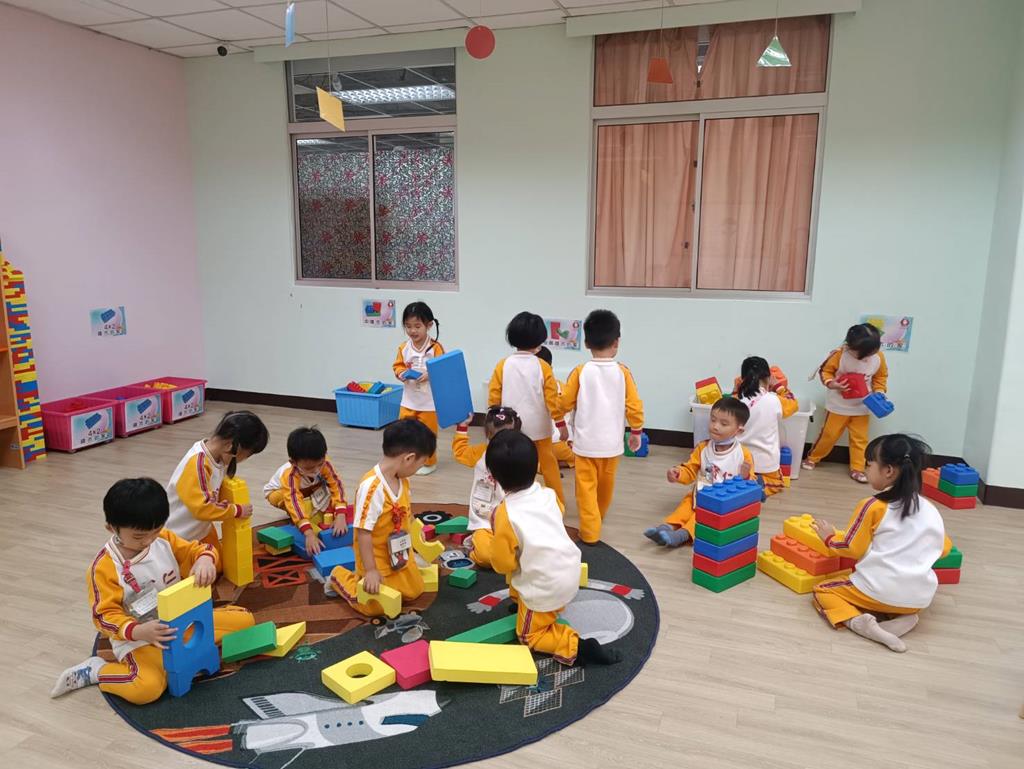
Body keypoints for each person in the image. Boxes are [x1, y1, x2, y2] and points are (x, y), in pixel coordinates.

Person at [51, 478, 254, 703]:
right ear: (111, 528)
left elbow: (197, 550)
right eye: (138, 536)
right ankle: (97, 671)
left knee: (245, 620)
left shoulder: (164, 538)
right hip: (139, 638)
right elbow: (104, 616)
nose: (148, 540)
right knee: (146, 688)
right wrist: (138, 631)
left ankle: (171, 658)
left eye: (155, 531)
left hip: (179, 622)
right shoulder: (103, 567)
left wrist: (205, 559)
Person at [488, 431, 621, 667]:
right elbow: (557, 514)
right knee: (527, 559)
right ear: (536, 466)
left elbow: (502, 563)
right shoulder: (548, 494)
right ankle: (524, 603)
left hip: (544, 588)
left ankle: (578, 646)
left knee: (529, 636)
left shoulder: (505, 513)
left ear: (494, 478)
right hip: (569, 572)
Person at [812, 434, 952, 652]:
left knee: (823, 590)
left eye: (869, 465)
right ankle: (904, 618)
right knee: (901, 599)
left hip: (877, 590)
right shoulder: (930, 510)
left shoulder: (873, 506)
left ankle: (858, 623)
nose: (865, 469)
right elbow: (944, 549)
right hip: (918, 599)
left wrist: (829, 537)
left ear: (888, 471)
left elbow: (852, 548)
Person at [328, 419, 436, 616]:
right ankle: (340, 577)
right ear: (409, 459)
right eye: (420, 464)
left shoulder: (402, 480)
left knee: (414, 590)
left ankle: (394, 576)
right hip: (376, 560)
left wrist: (415, 529)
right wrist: (370, 571)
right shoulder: (372, 488)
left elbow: (406, 512)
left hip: (398, 555)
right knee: (374, 608)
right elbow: (363, 532)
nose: (418, 470)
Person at [559, 309, 644, 544]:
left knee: (585, 487)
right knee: (606, 484)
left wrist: (559, 419)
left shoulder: (580, 371)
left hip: (585, 445)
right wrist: (636, 430)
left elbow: (565, 402)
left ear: (586, 343)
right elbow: (634, 405)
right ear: (617, 343)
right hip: (612, 445)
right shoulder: (623, 372)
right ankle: (599, 515)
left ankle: (590, 530)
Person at [644, 397, 753, 547]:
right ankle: (665, 528)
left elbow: (750, 487)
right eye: (713, 420)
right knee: (685, 506)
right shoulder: (703, 448)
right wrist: (678, 473)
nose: (715, 426)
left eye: (723, 424)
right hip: (700, 494)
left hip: (723, 504)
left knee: (702, 516)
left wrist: (745, 476)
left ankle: (681, 536)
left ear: (738, 430)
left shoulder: (743, 454)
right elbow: (690, 469)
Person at [489, 312, 568, 502]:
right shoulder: (543, 366)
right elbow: (552, 400)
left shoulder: (503, 365)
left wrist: (493, 423)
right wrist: (561, 425)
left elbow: (494, 397)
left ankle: (509, 498)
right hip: (540, 427)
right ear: (539, 341)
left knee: (511, 462)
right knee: (548, 463)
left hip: (510, 427)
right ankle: (558, 502)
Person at [165, 411, 269, 551]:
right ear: (230, 446)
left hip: (199, 530)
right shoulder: (198, 464)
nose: (242, 460)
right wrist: (236, 510)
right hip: (178, 537)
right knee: (208, 563)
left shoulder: (217, 457)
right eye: (245, 456)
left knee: (219, 558)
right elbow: (202, 508)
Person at [803, 323, 888, 483]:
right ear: (850, 347)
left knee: (860, 439)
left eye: (873, 352)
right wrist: (832, 383)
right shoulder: (839, 355)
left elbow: (880, 377)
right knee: (829, 435)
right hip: (838, 406)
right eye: (864, 355)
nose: (869, 357)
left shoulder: (878, 357)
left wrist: (879, 391)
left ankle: (858, 468)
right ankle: (813, 457)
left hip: (863, 406)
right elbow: (826, 371)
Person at [451, 406, 522, 568]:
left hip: (511, 518)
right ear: (488, 435)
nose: (501, 441)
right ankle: (474, 545)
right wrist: (463, 426)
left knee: (523, 550)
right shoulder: (481, 453)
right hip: (484, 519)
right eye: (496, 436)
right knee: (485, 555)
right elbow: (460, 452)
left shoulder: (518, 454)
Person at [264, 426, 348, 557]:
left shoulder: (325, 463)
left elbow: (336, 485)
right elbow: (293, 502)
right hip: (278, 492)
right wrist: (309, 533)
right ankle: (300, 520)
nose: (316, 470)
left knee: (326, 488)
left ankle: (310, 512)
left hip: (307, 489)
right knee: (293, 503)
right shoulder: (290, 475)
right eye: (309, 468)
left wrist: (341, 514)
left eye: (319, 464)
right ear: (293, 462)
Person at [735, 356, 799, 496]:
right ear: (768, 379)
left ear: (742, 379)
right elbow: (794, 404)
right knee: (778, 482)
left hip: (738, 462)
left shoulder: (736, 400)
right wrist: (780, 387)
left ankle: (742, 481)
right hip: (766, 464)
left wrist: (736, 389)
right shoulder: (775, 400)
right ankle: (756, 485)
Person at [392, 301, 444, 475]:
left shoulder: (436, 348)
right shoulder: (404, 348)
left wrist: (430, 374)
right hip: (408, 400)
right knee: (404, 432)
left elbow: (443, 368)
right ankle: (405, 460)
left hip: (428, 403)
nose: (412, 331)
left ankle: (429, 462)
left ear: (429, 325)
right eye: (408, 326)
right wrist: (402, 374)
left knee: (428, 433)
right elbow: (397, 366)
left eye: (417, 326)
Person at [536, 346, 575, 469]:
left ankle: (539, 463)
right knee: (581, 457)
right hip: (558, 443)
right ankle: (553, 463)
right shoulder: (561, 387)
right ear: (551, 368)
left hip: (531, 445)